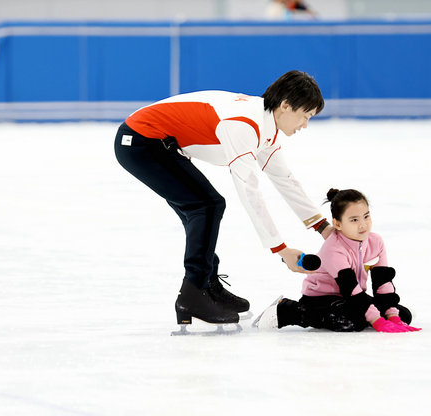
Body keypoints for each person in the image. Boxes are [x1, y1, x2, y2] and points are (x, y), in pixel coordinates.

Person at [114, 71, 332, 328]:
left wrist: (323, 228)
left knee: (203, 205)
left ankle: (206, 284)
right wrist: (281, 250)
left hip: (157, 142)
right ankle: (193, 294)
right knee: (205, 205)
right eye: (305, 116)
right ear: (285, 105)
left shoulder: (266, 126)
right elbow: (249, 191)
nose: (305, 125)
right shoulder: (243, 125)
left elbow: (285, 180)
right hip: (141, 141)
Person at [254, 188, 420, 333]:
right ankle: (285, 310)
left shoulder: (376, 242)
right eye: (354, 220)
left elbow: (383, 282)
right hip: (320, 298)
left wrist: (392, 315)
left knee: (404, 315)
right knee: (354, 321)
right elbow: (350, 287)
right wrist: (377, 321)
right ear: (337, 224)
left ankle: (378, 315)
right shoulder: (333, 248)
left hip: (350, 297)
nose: (363, 225)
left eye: (366, 216)